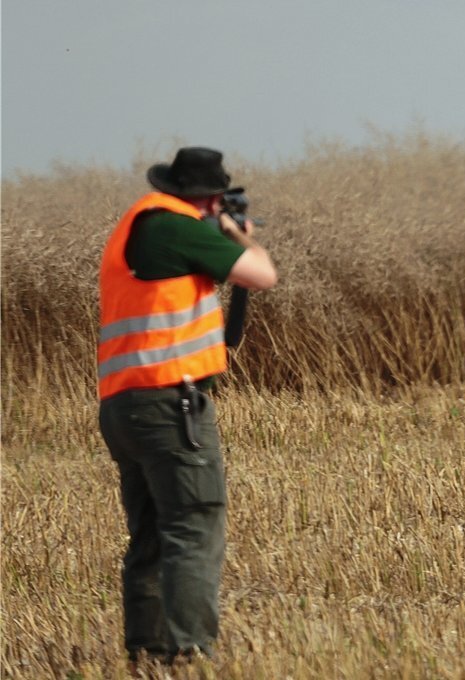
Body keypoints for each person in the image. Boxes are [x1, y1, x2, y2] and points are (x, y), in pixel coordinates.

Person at [97, 147, 277, 665]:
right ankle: (192, 655)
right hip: (170, 404)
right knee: (195, 524)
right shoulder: (178, 225)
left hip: (124, 404)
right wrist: (240, 233)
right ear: (212, 197)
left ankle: (149, 655)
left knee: (153, 532)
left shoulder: (139, 224)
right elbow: (262, 274)